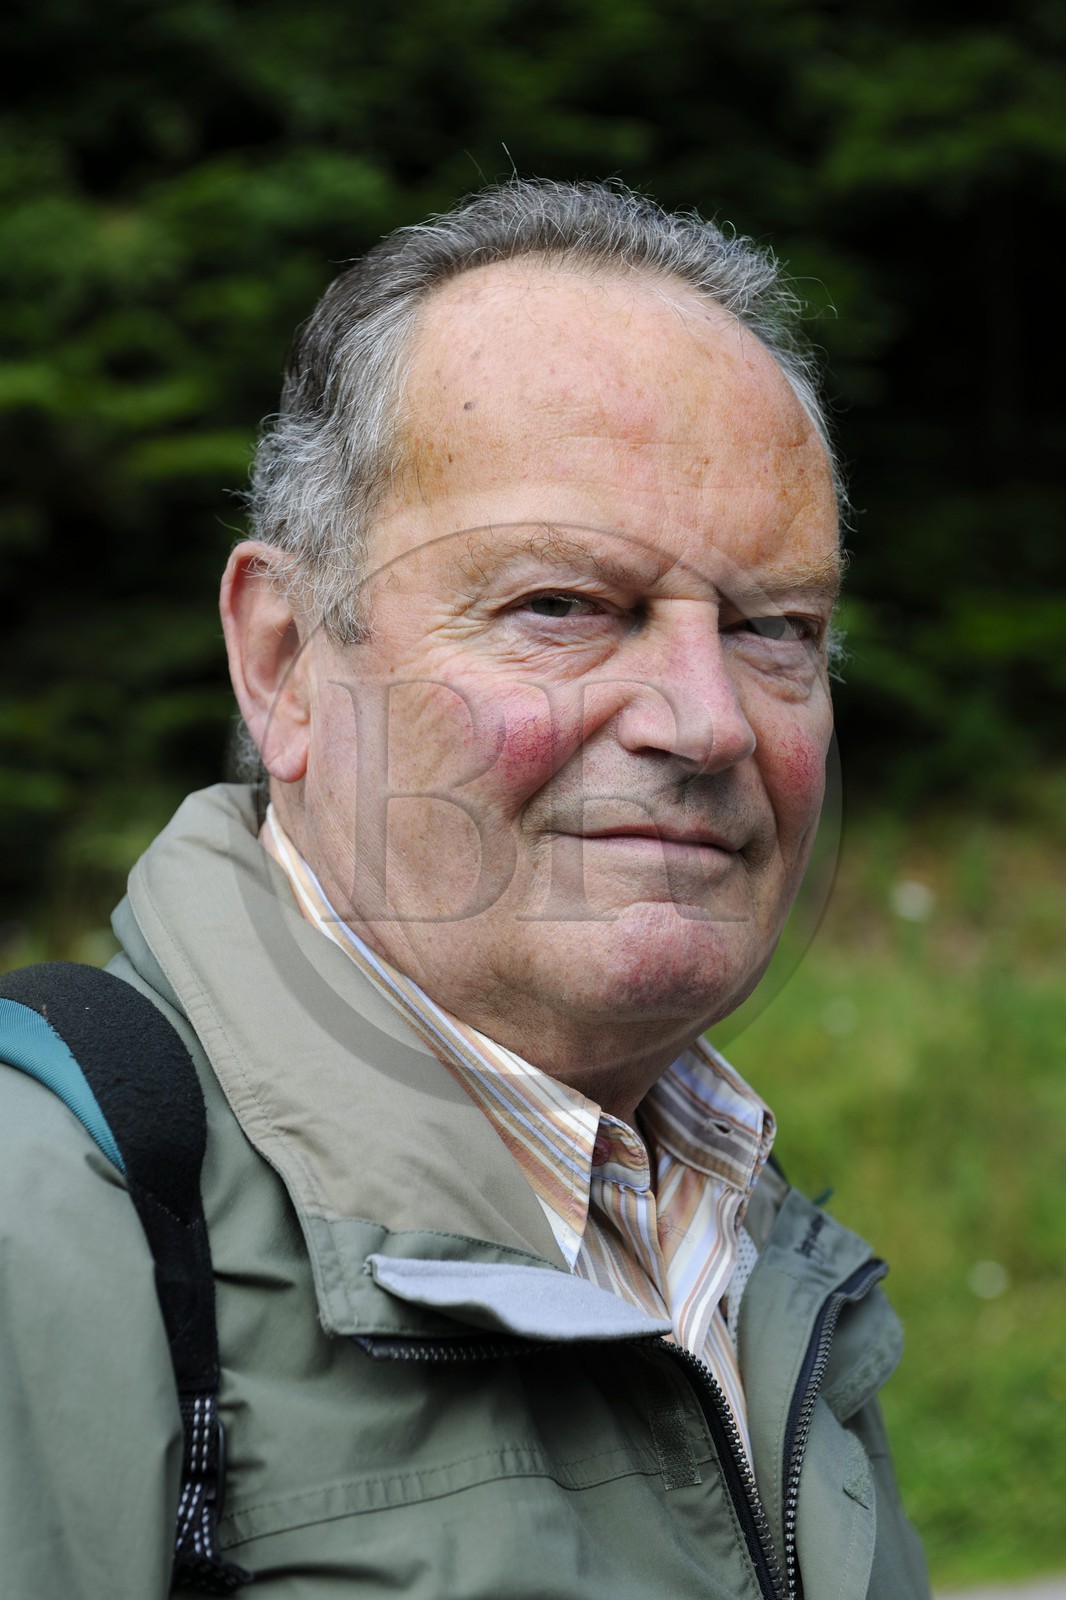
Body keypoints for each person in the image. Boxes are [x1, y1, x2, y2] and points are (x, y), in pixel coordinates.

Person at [0, 180, 930, 1598]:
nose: (706, 721)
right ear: (282, 661)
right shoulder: (42, 1228)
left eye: (772, 627)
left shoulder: (737, 1223)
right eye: (560, 606)